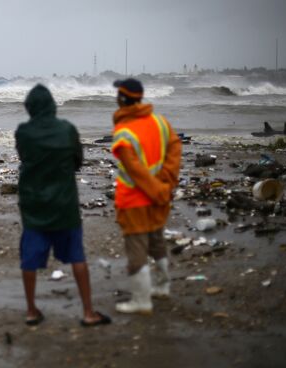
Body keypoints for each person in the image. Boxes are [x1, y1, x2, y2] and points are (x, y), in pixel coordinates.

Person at [15, 84, 111, 327]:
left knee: (30, 258)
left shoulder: (24, 132)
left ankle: (30, 311)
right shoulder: (67, 129)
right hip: (64, 203)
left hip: (34, 204)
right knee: (77, 256)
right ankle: (88, 312)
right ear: (52, 106)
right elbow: (78, 160)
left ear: (30, 107)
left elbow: (24, 157)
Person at [110, 78, 182, 314]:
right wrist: (166, 182)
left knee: (137, 249)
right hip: (159, 197)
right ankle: (162, 286)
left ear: (122, 99)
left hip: (135, 201)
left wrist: (157, 189)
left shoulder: (124, 132)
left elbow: (136, 171)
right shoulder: (160, 122)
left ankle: (141, 301)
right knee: (156, 241)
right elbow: (174, 149)